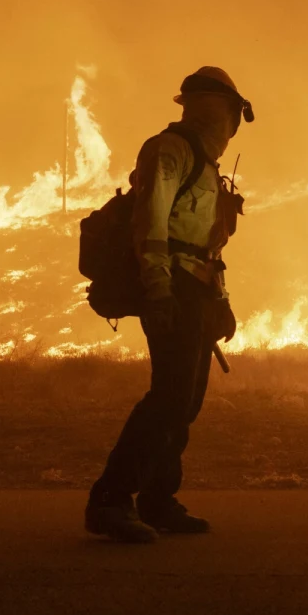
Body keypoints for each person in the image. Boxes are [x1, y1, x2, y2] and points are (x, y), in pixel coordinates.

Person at [85, 66, 252, 543]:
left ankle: (158, 501)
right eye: (232, 114)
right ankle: (111, 500)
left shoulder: (204, 163)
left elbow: (206, 246)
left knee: (187, 401)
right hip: (172, 286)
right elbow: (152, 223)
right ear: (222, 111)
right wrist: (158, 290)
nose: (231, 125)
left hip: (196, 288)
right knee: (169, 397)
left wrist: (219, 301)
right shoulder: (170, 150)